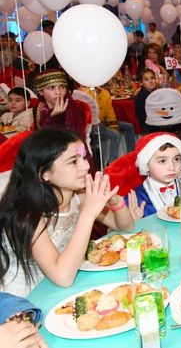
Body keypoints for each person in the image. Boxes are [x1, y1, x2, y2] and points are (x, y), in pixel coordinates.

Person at [0, 127, 134, 296]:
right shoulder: (28, 215)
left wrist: (117, 203)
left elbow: (125, 227)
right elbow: (63, 277)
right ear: (44, 174)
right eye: (73, 161)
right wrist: (88, 214)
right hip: (26, 296)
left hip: (61, 282)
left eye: (83, 158)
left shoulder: (78, 197)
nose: (86, 166)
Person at [107, 132, 181, 219]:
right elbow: (117, 227)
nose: (172, 167)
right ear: (146, 164)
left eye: (176, 159)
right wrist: (134, 222)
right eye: (162, 161)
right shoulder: (135, 198)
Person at [31, 70, 88, 148]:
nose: (58, 92)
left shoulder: (73, 110)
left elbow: (75, 142)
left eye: (62, 87)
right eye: (51, 88)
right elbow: (39, 138)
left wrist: (53, 118)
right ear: (41, 92)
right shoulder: (39, 108)